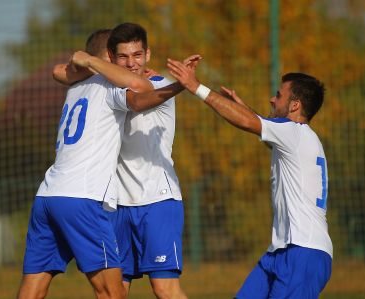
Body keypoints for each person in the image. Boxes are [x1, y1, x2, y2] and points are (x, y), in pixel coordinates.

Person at [17, 29, 191, 299]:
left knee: (34, 288)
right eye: (122, 57)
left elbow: (60, 72)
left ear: (147, 54)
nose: (131, 63)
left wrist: (180, 84)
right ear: (110, 58)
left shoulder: (78, 86)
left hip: (55, 194)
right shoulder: (111, 86)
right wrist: (99, 67)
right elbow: (136, 92)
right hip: (88, 198)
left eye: (136, 55)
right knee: (113, 292)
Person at [167, 59, 332, 299]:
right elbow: (258, 126)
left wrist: (195, 86)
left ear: (295, 105)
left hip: (303, 253)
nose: (272, 100)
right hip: (280, 251)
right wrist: (242, 108)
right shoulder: (298, 138)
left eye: (279, 95)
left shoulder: (293, 132)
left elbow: (247, 122)